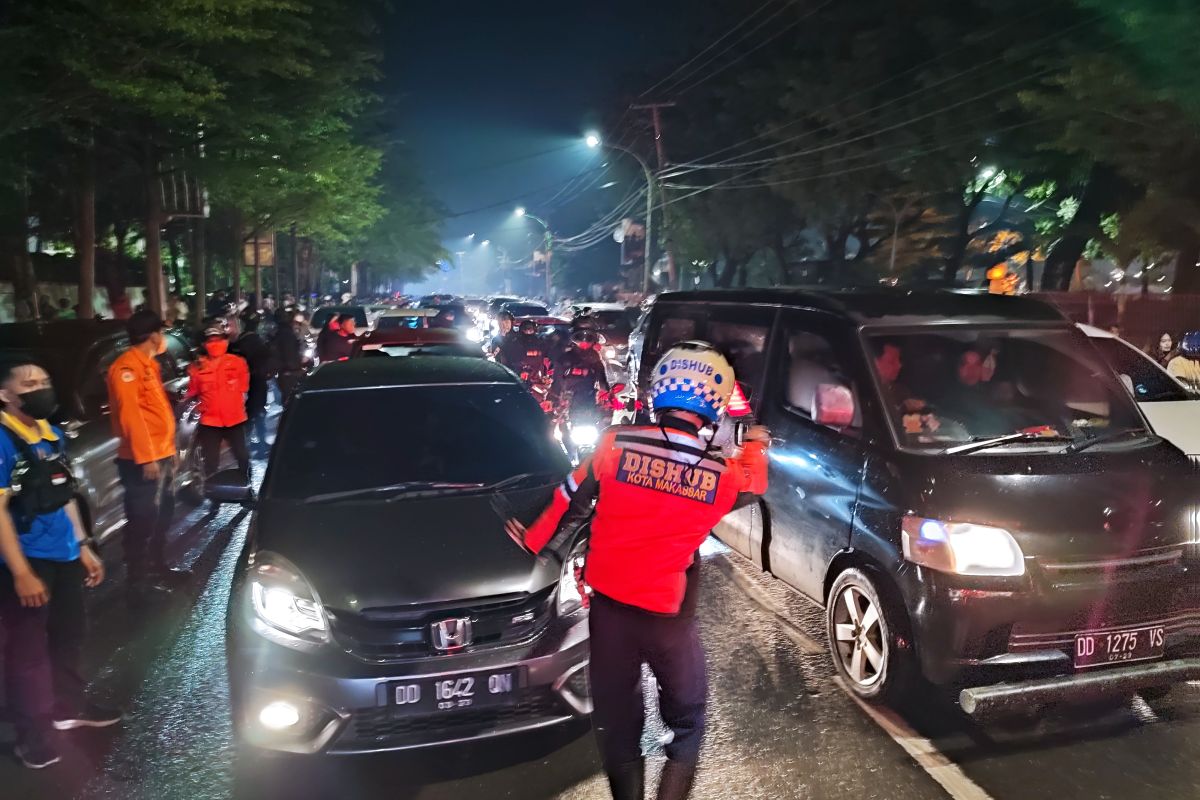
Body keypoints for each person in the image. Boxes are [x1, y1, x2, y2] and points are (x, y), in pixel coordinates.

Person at [505, 342, 769, 800]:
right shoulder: (720, 475)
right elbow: (755, 481)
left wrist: (532, 538)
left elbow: (569, 498)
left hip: (610, 614)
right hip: (669, 619)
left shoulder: (614, 444)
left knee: (618, 724)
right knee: (687, 722)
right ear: (712, 407)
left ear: (657, 393)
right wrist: (755, 444)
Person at [0, 358, 121, 769]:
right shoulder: (3, 440)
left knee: (69, 634)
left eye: (44, 381)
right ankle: (29, 734)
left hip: (64, 554)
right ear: (6, 395)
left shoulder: (50, 434)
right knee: (27, 652)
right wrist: (20, 573)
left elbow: (64, 492)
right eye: (28, 383)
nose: (39, 388)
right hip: (27, 560)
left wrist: (83, 545)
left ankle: (68, 706)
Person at [107, 310, 180, 600]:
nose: (163, 338)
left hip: (160, 455)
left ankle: (158, 568)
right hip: (142, 462)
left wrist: (169, 451)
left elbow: (156, 413)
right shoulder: (126, 368)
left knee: (162, 514)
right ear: (153, 335)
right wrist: (146, 457)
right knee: (142, 520)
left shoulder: (149, 365)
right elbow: (131, 416)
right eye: (161, 332)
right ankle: (138, 584)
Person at [187, 325, 252, 480]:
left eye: (218, 340)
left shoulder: (237, 363)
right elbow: (192, 391)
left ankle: (247, 487)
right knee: (210, 463)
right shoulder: (197, 368)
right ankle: (213, 497)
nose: (215, 344)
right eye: (211, 341)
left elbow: (244, 387)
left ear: (226, 341)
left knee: (242, 457)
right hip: (210, 422)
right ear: (204, 344)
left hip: (234, 419)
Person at [231, 312, 274, 456]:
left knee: (248, 414)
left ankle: (247, 444)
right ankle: (259, 443)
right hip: (258, 383)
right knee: (258, 413)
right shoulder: (259, 342)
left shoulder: (238, 343)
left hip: (244, 385)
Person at [551, 328, 610, 411]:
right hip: (570, 396)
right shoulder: (565, 358)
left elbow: (601, 376)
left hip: (589, 395)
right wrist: (553, 397)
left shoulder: (594, 357)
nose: (584, 343)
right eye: (581, 341)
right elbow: (557, 377)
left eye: (587, 341)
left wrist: (606, 392)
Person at [272, 308, 307, 405]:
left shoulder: (280, 332)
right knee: (291, 399)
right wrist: (294, 370)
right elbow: (289, 354)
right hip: (289, 372)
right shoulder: (286, 334)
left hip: (285, 371)